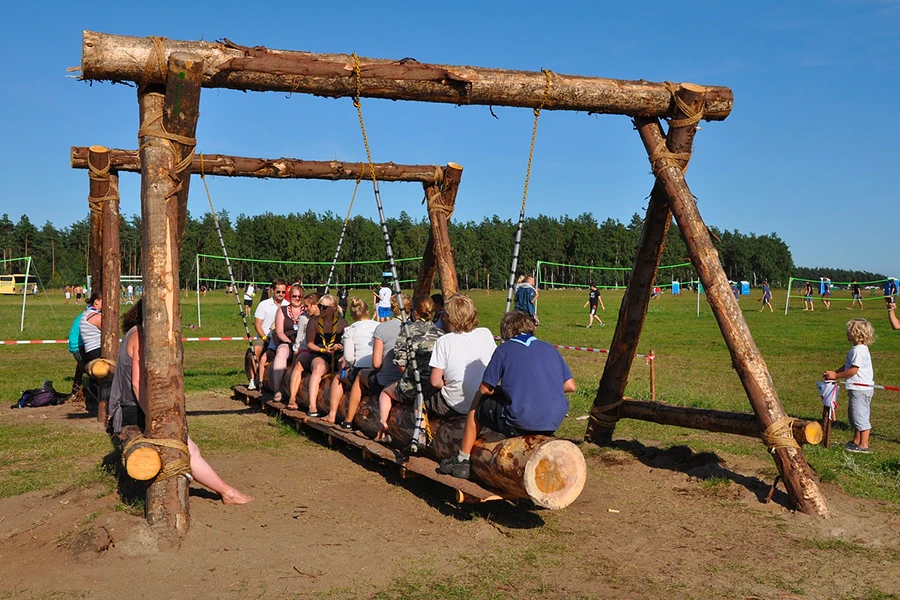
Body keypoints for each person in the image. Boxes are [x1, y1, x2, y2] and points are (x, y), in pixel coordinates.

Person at [107, 300, 252, 504]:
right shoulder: (139, 337)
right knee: (187, 448)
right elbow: (138, 385)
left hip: (129, 406)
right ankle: (227, 493)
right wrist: (155, 415)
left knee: (190, 446)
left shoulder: (133, 331)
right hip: (133, 409)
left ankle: (225, 490)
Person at [439, 310, 577, 479]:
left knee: (478, 400)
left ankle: (462, 458)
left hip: (521, 419)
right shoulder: (549, 348)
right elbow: (570, 386)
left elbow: (484, 389)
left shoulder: (504, 349)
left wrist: (503, 389)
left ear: (507, 331)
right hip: (553, 420)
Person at [374, 295, 443, 440]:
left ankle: (382, 423)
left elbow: (400, 362)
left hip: (412, 385)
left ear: (416, 313)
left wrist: (409, 375)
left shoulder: (407, 331)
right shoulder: (440, 334)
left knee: (385, 392)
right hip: (434, 387)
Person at [342, 293, 409, 431]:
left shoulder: (383, 328)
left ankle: (348, 420)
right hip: (409, 380)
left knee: (361, 374)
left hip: (386, 381)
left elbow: (376, 364)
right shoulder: (414, 328)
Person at [428, 294, 496, 417]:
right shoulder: (486, 333)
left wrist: (444, 384)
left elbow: (435, 381)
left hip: (453, 404)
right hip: (483, 399)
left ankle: (421, 430)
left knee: (423, 394)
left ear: (448, 317)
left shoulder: (444, 341)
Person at [823, 319, 876, 454]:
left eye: (849, 331)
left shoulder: (858, 350)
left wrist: (836, 375)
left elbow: (853, 370)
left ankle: (864, 445)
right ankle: (856, 441)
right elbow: (848, 366)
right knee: (854, 415)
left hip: (861, 389)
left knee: (859, 416)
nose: (846, 333)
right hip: (857, 388)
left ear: (855, 333)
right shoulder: (857, 349)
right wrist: (835, 373)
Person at [327, 297, 378, 425]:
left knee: (338, 377)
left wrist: (349, 364)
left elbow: (349, 357)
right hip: (377, 369)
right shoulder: (378, 326)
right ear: (368, 311)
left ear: (352, 315)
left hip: (359, 369)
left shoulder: (351, 330)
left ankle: (332, 414)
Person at [304, 294, 347, 417]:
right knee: (319, 368)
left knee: (344, 367)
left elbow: (348, 342)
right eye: (319, 306)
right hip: (319, 351)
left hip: (336, 351)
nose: (321, 309)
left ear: (333, 308)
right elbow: (310, 344)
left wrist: (340, 346)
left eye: (324, 307)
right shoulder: (314, 322)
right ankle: (312, 405)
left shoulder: (342, 323)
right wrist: (323, 350)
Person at [248, 279, 288, 390]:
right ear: (273, 291)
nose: (281, 294)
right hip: (265, 336)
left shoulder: (288, 305)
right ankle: (253, 379)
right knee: (255, 349)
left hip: (281, 338)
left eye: (283, 292)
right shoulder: (264, 305)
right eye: (278, 292)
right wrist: (265, 338)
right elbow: (257, 325)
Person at [270, 283, 306, 403]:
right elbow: (279, 331)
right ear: (289, 297)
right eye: (294, 296)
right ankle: (277, 389)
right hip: (287, 339)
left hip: (303, 342)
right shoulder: (283, 310)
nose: (297, 299)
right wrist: (289, 342)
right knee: (281, 352)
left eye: (299, 297)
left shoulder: (307, 311)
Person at [286, 291, 321, 410]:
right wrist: (296, 352)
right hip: (306, 349)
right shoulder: (304, 318)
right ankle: (292, 397)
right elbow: (300, 337)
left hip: (322, 350)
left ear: (316, 305)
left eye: (307, 306)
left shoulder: (325, 317)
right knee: (299, 365)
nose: (305, 309)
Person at [79, 292, 103, 405]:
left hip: (90, 350)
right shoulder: (97, 317)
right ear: (96, 301)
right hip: (97, 349)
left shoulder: (86, 313)